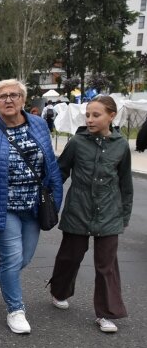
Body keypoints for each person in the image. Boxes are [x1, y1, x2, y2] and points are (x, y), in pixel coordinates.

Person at [0, 79, 63, 335]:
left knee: (23, 259)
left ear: (23, 100)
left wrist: (55, 202)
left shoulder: (38, 124)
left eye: (14, 95)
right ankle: (16, 310)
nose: (8, 99)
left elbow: (50, 167)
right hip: (0, 207)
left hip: (33, 207)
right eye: (2, 96)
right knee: (13, 257)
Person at [48, 95, 133, 333]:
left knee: (106, 265)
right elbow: (60, 173)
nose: (90, 119)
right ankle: (59, 291)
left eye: (96, 115)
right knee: (70, 257)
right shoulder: (77, 142)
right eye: (88, 114)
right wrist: (49, 202)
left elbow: (126, 184)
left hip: (109, 214)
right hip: (78, 211)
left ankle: (106, 314)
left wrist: (124, 216)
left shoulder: (121, 145)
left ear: (111, 116)